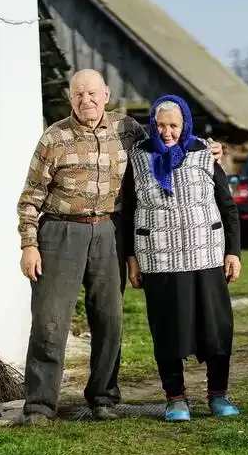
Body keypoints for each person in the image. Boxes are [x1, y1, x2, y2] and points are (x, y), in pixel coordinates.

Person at [16, 70, 223, 423]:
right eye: (79, 95)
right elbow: (30, 197)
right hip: (61, 233)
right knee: (50, 322)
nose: (87, 101)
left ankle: (104, 399)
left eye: (93, 94)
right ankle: (39, 405)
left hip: (110, 232)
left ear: (106, 94)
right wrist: (28, 245)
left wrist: (209, 148)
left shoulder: (127, 129)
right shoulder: (54, 137)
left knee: (109, 320)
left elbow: (167, 142)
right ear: (71, 98)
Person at [122, 94, 242, 422]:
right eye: (160, 125)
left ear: (184, 123)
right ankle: (175, 398)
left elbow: (227, 205)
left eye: (173, 125)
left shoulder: (204, 153)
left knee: (216, 330)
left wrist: (233, 251)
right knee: (167, 331)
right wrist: (131, 258)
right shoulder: (138, 157)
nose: (166, 132)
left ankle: (218, 395)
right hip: (159, 261)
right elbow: (129, 211)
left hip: (206, 256)